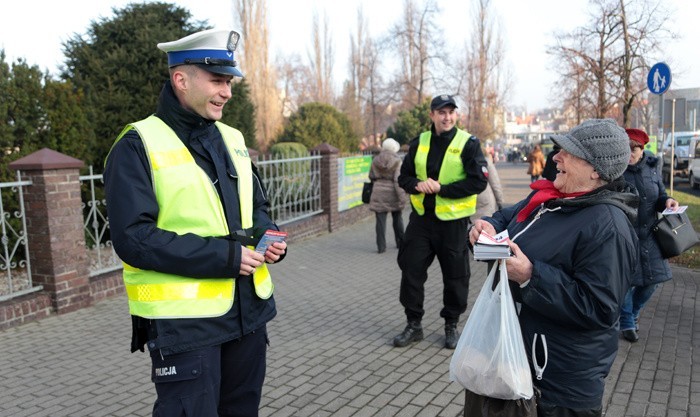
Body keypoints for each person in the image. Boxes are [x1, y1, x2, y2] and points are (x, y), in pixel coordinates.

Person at [103, 29, 287, 417]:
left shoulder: (233, 138)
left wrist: (267, 236)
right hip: (186, 327)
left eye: (230, 82)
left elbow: (257, 206)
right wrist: (224, 257)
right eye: (218, 81)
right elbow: (134, 238)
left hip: (248, 313)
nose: (227, 92)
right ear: (181, 80)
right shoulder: (137, 144)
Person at [468, 118, 639, 416]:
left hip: (559, 387)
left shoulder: (607, 226)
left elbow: (600, 308)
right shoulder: (550, 198)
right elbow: (509, 217)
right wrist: (487, 227)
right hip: (521, 362)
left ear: (596, 169)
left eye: (569, 152)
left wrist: (530, 277)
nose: (556, 156)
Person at [393, 94, 488, 349]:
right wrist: (416, 184)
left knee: (456, 277)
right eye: (441, 112)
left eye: (451, 112)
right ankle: (413, 325)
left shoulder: (468, 143)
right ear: (432, 115)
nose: (446, 117)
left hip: (454, 223)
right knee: (411, 270)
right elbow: (404, 177)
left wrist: (441, 188)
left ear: (456, 115)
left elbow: (479, 181)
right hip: (422, 220)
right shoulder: (419, 142)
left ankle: (451, 325)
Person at [620, 128, 678, 343]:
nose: (629, 154)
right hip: (626, 234)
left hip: (651, 234)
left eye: (633, 149)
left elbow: (661, 195)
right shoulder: (617, 171)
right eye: (625, 149)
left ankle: (633, 313)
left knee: (652, 281)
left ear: (642, 149)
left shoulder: (652, 168)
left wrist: (668, 201)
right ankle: (626, 321)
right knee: (626, 281)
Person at [368, 138, 407, 253]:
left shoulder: (375, 160)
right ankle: (400, 243)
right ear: (394, 148)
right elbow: (397, 180)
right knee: (397, 218)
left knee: (380, 221)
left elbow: (371, 176)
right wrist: (402, 198)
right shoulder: (397, 160)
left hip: (378, 191)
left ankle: (381, 247)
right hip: (393, 193)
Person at [471, 152, 505, 220]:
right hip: (484, 201)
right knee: (484, 226)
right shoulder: (485, 161)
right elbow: (495, 184)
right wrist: (500, 202)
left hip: (465, 201)